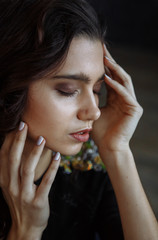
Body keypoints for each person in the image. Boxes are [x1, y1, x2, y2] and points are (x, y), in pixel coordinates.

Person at [0, 0, 158, 239]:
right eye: (68, 90)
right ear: (11, 85)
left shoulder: (88, 164)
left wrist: (116, 151)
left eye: (96, 90)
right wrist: (26, 231)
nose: (94, 111)